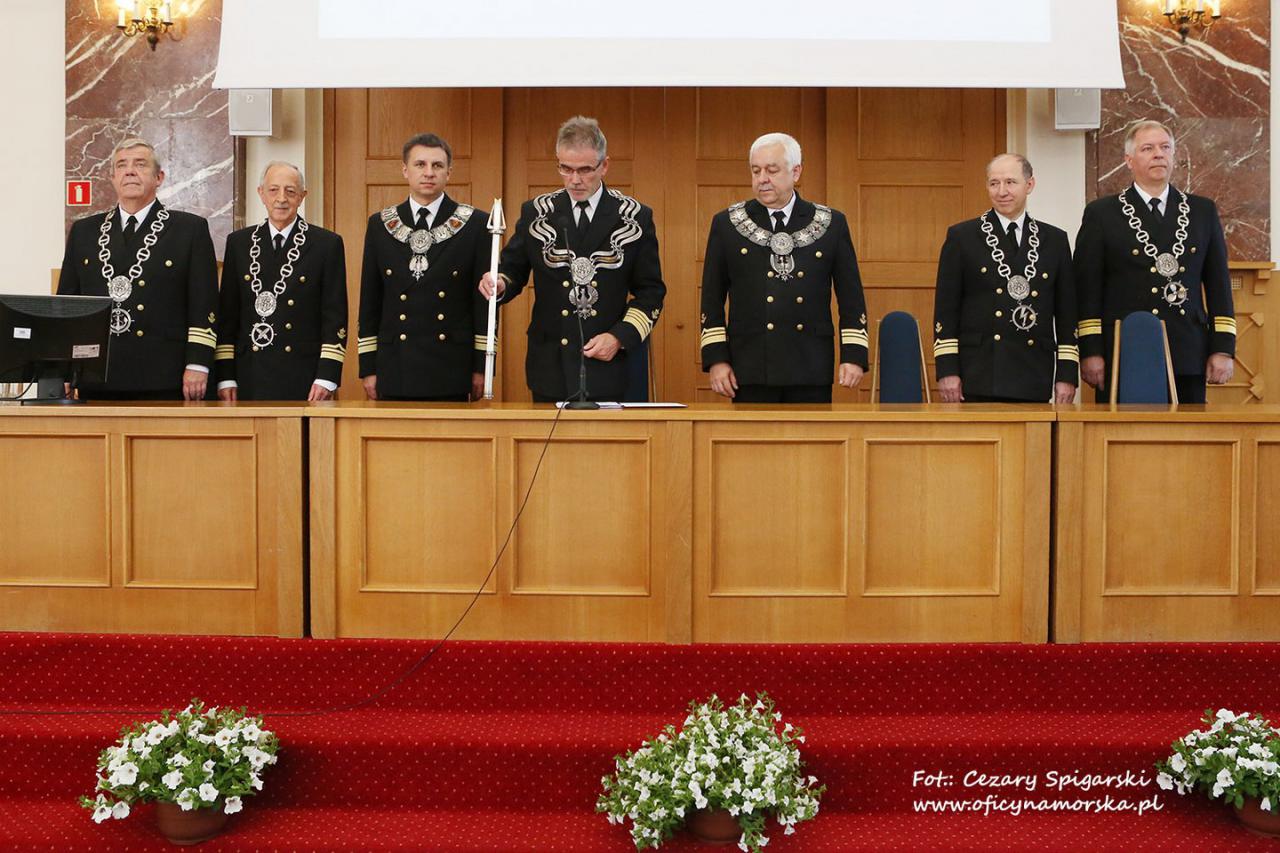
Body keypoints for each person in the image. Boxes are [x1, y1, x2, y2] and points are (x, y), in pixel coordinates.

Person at [479, 116, 665, 402]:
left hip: (608, 364)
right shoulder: (537, 212)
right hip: (550, 364)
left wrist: (619, 337)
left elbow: (651, 292)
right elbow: (512, 269)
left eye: (585, 170)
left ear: (604, 165)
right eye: (566, 169)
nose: (575, 180)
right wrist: (500, 282)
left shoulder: (634, 217)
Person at [699, 132, 867, 403]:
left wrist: (854, 355)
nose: (762, 178)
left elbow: (851, 297)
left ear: (796, 172)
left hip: (810, 364)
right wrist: (717, 359)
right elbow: (711, 298)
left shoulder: (830, 223)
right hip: (750, 365)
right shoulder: (727, 224)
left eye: (772, 170)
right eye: (756, 171)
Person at [1074, 119, 1235, 403]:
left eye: (1165, 147)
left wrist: (1223, 347)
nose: (1158, 154)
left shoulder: (1202, 211)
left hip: (1187, 348)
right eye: (1147, 148)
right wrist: (1091, 351)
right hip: (1124, 351)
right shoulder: (1102, 214)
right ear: (1129, 160)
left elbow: (1219, 286)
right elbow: (1087, 290)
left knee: (1187, 431)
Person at [57, 138, 218, 400]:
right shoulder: (84, 231)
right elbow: (67, 305)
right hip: (97, 373)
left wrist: (198, 364)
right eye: (121, 165)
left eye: (140, 164)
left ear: (159, 177)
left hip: (163, 374)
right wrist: (63, 367)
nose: (130, 171)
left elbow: (204, 304)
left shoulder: (189, 229)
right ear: (112, 178)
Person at [932, 154, 1078, 403]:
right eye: (994, 183)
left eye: (1010, 182)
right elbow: (946, 310)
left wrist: (1066, 374)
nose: (1002, 192)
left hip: (1034, 373)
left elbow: (1067, 314)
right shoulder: (962, 237)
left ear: (1029, 185)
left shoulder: (1054, 240)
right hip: (979, 373)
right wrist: (947, 370)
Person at [358, 133, 491, 401]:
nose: (429, 173)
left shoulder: (476, 224)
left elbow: (484, 305)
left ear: (449, 172)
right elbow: (370, 301)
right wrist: (368, 367)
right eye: (420, 164)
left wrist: (482, 367)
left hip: (451, 365)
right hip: (395, 364)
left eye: (437, 165)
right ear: (405, 170)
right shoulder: (379, 225)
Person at [215, 162, 347, 401]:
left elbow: (334, 315)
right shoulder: (239, 243)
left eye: (290, 191)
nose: (281, 199)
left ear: (302, 196)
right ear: (261, 194)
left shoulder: (326, 244)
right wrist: (225, 376)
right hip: (248, 373)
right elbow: (227, 316)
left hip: (304, 376)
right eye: (273, 190)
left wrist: (327, 376)